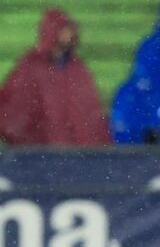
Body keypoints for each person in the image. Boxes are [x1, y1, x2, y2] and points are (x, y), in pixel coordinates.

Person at [0, 8, 111, 146]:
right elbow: (13, 110)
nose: (70, 34)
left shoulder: (78, 69)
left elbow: (92, 115)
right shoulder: (31, 66)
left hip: (78, 158)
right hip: (42, 158)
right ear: (52, 31)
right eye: (64, 29)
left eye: (70, 30)